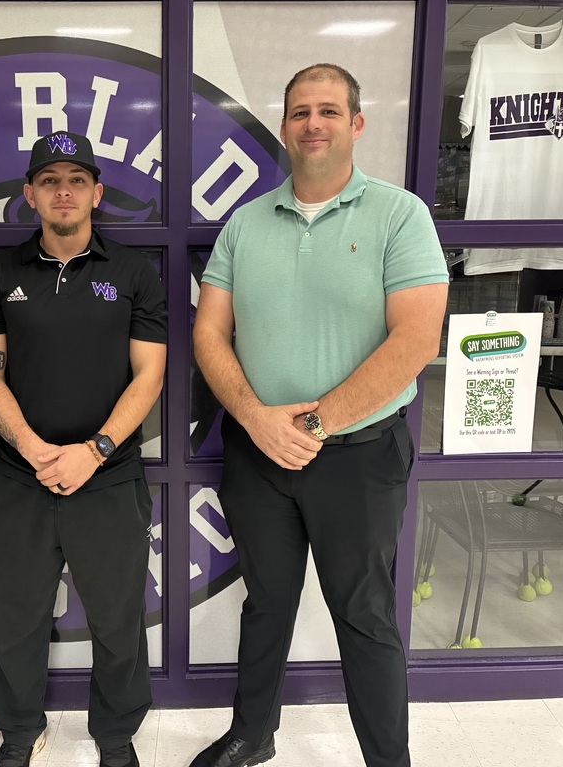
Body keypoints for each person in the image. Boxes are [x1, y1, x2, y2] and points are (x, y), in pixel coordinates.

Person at [190, 64, 449, 767]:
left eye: (329, 111)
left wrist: (312, 425)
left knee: (365, 616)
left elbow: (416, 340)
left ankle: (387, 760)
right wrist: (256, 418)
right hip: (258, 452)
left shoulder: (400, 215)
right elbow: (209, 332)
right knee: (266, 602)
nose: (313, 124)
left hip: (359, 456)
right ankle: (253, 734)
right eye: (300, 111)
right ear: (284, 127)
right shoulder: (245, 224)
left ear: (356, 124)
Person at [0, 131, 167, 767]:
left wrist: (94, 450)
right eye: (49, 181)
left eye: (77, 180)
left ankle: (115, 736)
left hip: (108, 478)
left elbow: (150, 375)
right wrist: (33, 449)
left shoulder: (134, 273)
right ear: (29, 194)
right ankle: (18, 732)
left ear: (96, 193)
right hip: (18, 478)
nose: (63, 191)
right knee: (13, 618)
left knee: (117, 619)